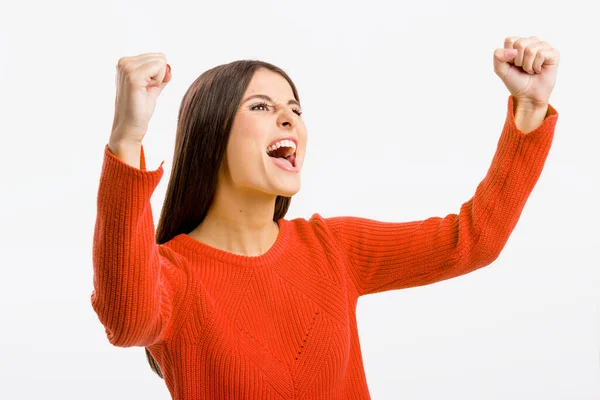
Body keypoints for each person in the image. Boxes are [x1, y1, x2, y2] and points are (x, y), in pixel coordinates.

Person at [91, 36, 560, 399]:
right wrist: (128, 138)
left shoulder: (332, 248)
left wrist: (531, 107)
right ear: (210, 134)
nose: (289, 118)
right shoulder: (173, 277)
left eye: (295, 109)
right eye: (261, 107)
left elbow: (472, 240)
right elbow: (126, 319)